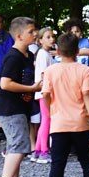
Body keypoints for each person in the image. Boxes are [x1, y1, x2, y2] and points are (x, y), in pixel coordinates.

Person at [40, 34, 89, 177]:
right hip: (80, 124)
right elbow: (87, 95)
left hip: (58, 124)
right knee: (87, 161)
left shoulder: (51, 71)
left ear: (58, 51)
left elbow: (45, 95)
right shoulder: (84, 70)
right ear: (77, 51)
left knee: (57, 164)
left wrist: (51, 111)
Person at [0, 17, 39, 177]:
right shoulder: (13, 57)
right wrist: (32, 89)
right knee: (19, 146)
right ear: (19, 36)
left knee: (16, 146)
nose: (35, 34)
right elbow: (5, 83)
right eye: (31, 32)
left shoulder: (28, 55)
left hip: (22, 107)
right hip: (10, 108)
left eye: (35, 30)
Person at [30, 26, 57, 164]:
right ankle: (44, 151)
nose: (52, 39)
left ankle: (38, 151)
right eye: (48, 37)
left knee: (45, 120)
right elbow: (43, 74)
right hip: (44, 92)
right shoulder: (42, 54)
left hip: (45, 92)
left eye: (52, 36)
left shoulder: (47, 54)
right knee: (47, 120)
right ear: (40, 40)